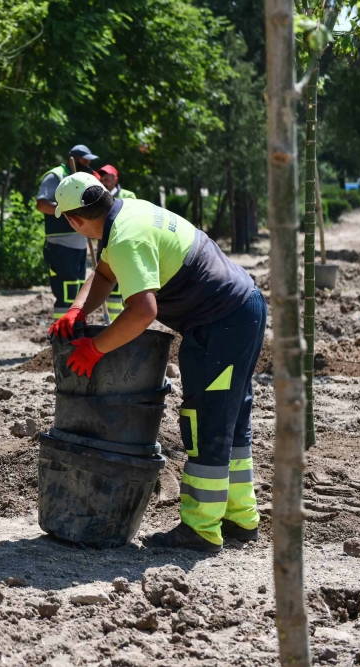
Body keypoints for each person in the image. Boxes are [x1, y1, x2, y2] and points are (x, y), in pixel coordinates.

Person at [49, 172, 265, 553]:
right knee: (231, 419)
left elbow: (142, 312)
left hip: (220, 323)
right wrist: (78, 309)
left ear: (73, 220)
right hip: (240, 310)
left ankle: (201, 529)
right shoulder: (130, 213)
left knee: (207, 420)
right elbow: (104, 274)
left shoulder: (127, 237)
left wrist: (94, 348)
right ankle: (239, 517)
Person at [35, 145, 98, 320]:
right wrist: (68, 209)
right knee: (65, 295)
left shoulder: (81, 178)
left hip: (79, 244)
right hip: (61, 245)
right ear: (75, 158)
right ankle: (61, 336)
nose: (88, 164)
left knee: (76, 293)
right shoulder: (56, 176)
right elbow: (41, 204)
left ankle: (71, 330)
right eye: (85, 160)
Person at [95, 164, 135, 321]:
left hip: (125, 246)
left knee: (126, 285)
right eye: (102, 177)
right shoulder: (97, 196)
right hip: (105, 246)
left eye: (108, 177)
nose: (104, 180)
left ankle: (129, 321)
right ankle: (113, 322)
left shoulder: (127, 195)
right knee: (109, 285)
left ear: (115, 179)